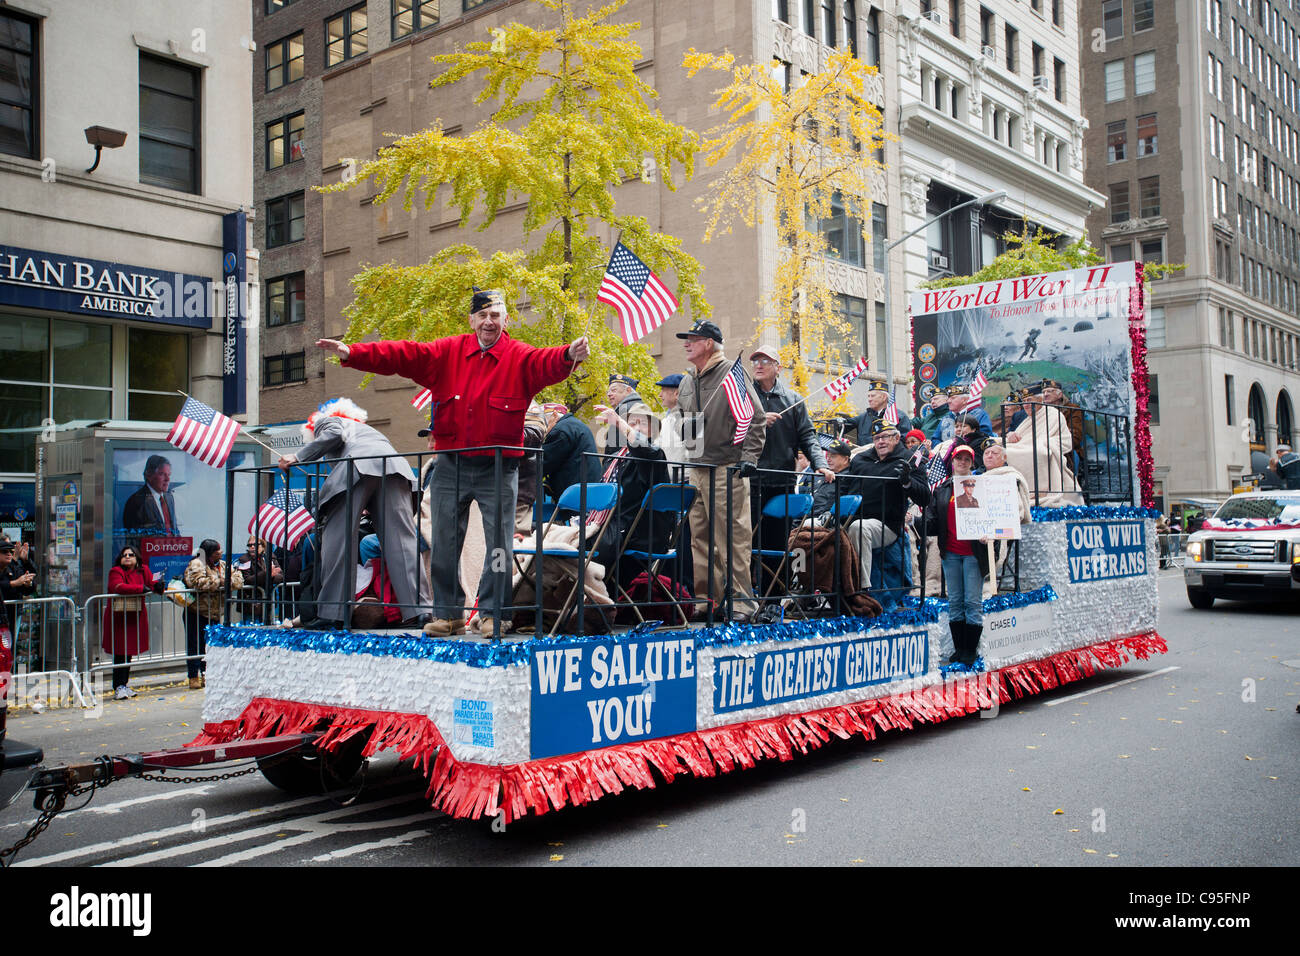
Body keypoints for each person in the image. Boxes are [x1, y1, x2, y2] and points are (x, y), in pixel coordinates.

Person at [315, 288, 589, 637]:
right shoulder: (448, 352)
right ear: (472, 319)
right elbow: (403, 355)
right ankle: (448, 614)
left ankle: (494, 612)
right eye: (482, 315)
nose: (489, 321)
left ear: (506, 320)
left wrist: (569, 354)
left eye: (496, 315)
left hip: (499, 466)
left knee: (500, 546)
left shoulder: (519, 357)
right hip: (451, 464)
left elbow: (546, 362)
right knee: (443, 543)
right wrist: (353, 352)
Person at [278, 398, 427, 631]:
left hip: (357, 468)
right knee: (403, 545)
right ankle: (421, 610)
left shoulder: (327, 421)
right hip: (396, 469)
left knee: (337, 540)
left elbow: (334, 433)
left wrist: (298, 457)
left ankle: (333, 612)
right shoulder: (369, 431)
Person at [674, 319, 766, 622]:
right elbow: (679, 416)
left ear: (709, 344)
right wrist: (682, 433)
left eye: (693, 338)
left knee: (733, 538)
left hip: (728, 467)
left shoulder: (732, 374)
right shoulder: (687, 380)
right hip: (696, 467)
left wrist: (749, 456)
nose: (686, 343)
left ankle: (742, 603)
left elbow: (756, 416)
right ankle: (707, 601)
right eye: (686, 339)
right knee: (699, 539)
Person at [749, 346, 834, 547]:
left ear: (777, 368)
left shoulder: (793, 399)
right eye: (755, 362)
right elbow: (730, 428)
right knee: (749, 542)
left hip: (782, 481)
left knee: (779, 541)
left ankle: (778, 580)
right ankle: (750, 580)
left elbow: (808, 435)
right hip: (749, 480)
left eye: (765, 361)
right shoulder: (744, 397)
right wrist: (758, 420)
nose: (759, 365)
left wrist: (820, 464)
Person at [841, 418, 930, 597]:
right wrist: (833, 511)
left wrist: (907, 482)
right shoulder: (860, 459)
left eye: (885, 437)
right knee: (810, 528)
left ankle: (861, 590)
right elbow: (843, 488)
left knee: (860, 529)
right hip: (851, 518)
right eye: (876, 438)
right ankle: (815, 592)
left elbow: (925, 498)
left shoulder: (908, 459)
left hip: (886, 524)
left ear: (897, 438)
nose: (880, 441)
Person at [593, 403, 671, 584]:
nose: (635, 427)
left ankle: (591, 602)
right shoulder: (617, 457)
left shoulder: (654, 454)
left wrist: (621, 423)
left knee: (586, 547)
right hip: (614, 525)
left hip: (638, 532)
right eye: (632, 423)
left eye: (642, 423)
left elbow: (643, 448)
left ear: (653, 431)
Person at [926, 442, 985, 666]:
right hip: (950, 552)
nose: (962, 462)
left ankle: (970, 650)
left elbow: (995, 519)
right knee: (955, 602)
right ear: (952, 462)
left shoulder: (981, 487)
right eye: (958, 459)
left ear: (972, 463)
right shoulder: (943, 489)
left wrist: (989, 535)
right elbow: (933, 520)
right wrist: (916, 521)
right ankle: (959, 650)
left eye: (966, 459)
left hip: (973, 553)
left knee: (972, 602)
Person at [1003, 382, 1082, 505]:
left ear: (1040, 400)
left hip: (1045, 449)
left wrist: (1044, 443)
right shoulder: (1027, 417)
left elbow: (1066, 439)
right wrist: (1010, 435)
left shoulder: (1053, 414)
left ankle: (1036, 494)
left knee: (1039, 453)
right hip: (1024, 446)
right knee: (1003, 450)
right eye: (1024, 401)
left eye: (1030, 400)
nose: (1026, 405)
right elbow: (1020, 436)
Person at [103, 545, 164, 699]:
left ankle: (124, 684)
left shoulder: (143, 570)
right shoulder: (116, 571)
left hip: (135, 615)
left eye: (131, 554)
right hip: (119, 616)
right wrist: (139, 588)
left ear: (136, 557)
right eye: (125, 555)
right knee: (120, 652)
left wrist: (158, 586)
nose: (128, 557)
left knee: (128, 652)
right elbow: (117, 586)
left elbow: (150, 585)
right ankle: (118, 686)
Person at [183, 539, 243, 689]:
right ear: (209, 553)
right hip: (196, 612)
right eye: (217, 551)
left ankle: (208, 675)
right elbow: (197, 582)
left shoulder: (222, 565)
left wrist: (225, 581)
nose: (221, 553)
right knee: (195, 645)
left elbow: (239, 580)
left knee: (211, 646)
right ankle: (193, 676)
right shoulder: (197, 563)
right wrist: (220, 582)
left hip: (215, 613)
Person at [541, 402, 601, 499]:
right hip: (587, 486)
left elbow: (543, 464)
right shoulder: (574, 424)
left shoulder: (560, 430)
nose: (543, 426)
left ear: (555, 415)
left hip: (574, 492)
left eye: (543, 421)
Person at [121, 454, 180, 534]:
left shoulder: (169, 498)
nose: (168, 479)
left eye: (169, 475)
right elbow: (134, 539)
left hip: (172, 546)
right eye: (162, 474)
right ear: (149, 475)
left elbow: (174, 529)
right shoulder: (136, 502)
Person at [237, 536, 283, 622]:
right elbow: (247, 579)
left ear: (263, 546)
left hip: (268, 601)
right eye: (249, 545)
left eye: (255, 544)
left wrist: (271, 576)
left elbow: (281, 576)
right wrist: (266, 574)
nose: (252, 547)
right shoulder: (244, 560)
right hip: (250, 602)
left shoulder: (270, 557)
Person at [0, 539, 36, 636]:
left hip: (10, 616)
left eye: (11, 552)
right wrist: (13, 583)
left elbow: (26, 589)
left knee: (7, 647)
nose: (9, 554)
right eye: (4, 552)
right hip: (3, 614)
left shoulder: (12, 568)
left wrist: (28, 584)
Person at [601, 373, 643, 455]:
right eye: (608, 391)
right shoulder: (628, 409)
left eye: (613, 390)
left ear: (628, 391)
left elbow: (616, 447)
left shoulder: (628, 410)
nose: (608, 394)